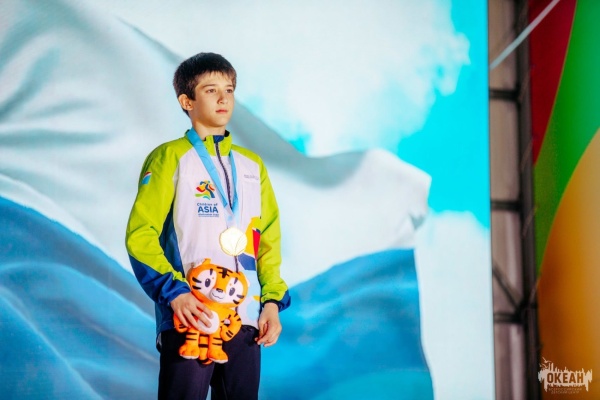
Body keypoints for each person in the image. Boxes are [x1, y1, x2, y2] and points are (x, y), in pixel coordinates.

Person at [125, 52, 291, 400]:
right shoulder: (169, 157)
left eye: (229, 90)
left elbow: (268, 241)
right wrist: (175, 293)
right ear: (187, 101)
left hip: (245, 320)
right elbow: (141, 235)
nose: (223, 98)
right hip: (191, 314)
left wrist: (272, 303)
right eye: (211, 90)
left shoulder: (252, 166)